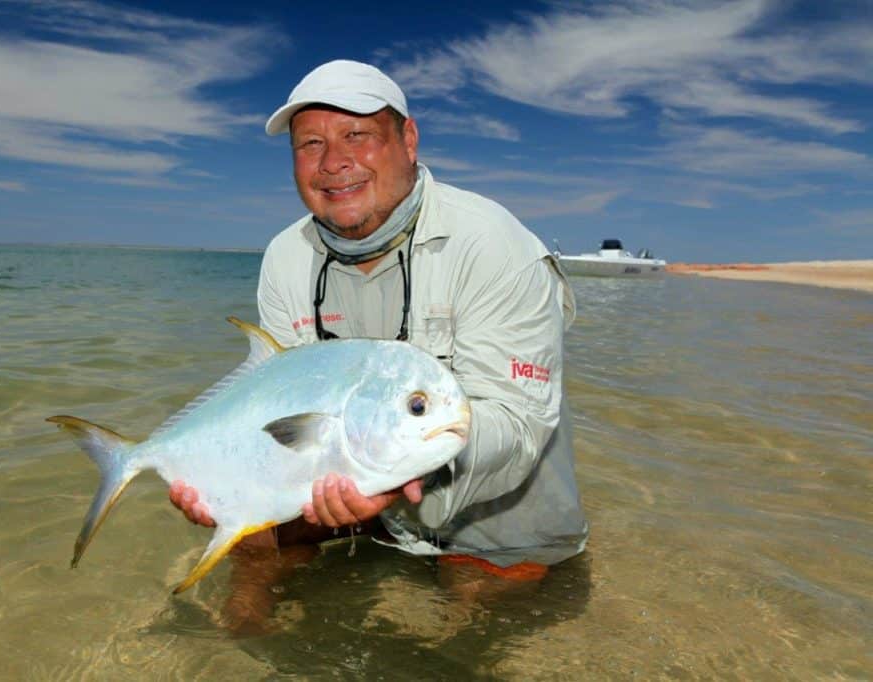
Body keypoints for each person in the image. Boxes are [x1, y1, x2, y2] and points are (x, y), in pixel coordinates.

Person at [169, 59, 587, 622]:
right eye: (310, 143)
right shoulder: (285, 258)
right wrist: (227, 485)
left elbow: (517, 427)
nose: (333, 162)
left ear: (408, 140)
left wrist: (402, 476)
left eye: (357, 135)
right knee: (253, 554)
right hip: (353, 485)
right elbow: (276, 406)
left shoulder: (494, 245)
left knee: (479, 623)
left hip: (494, 500)